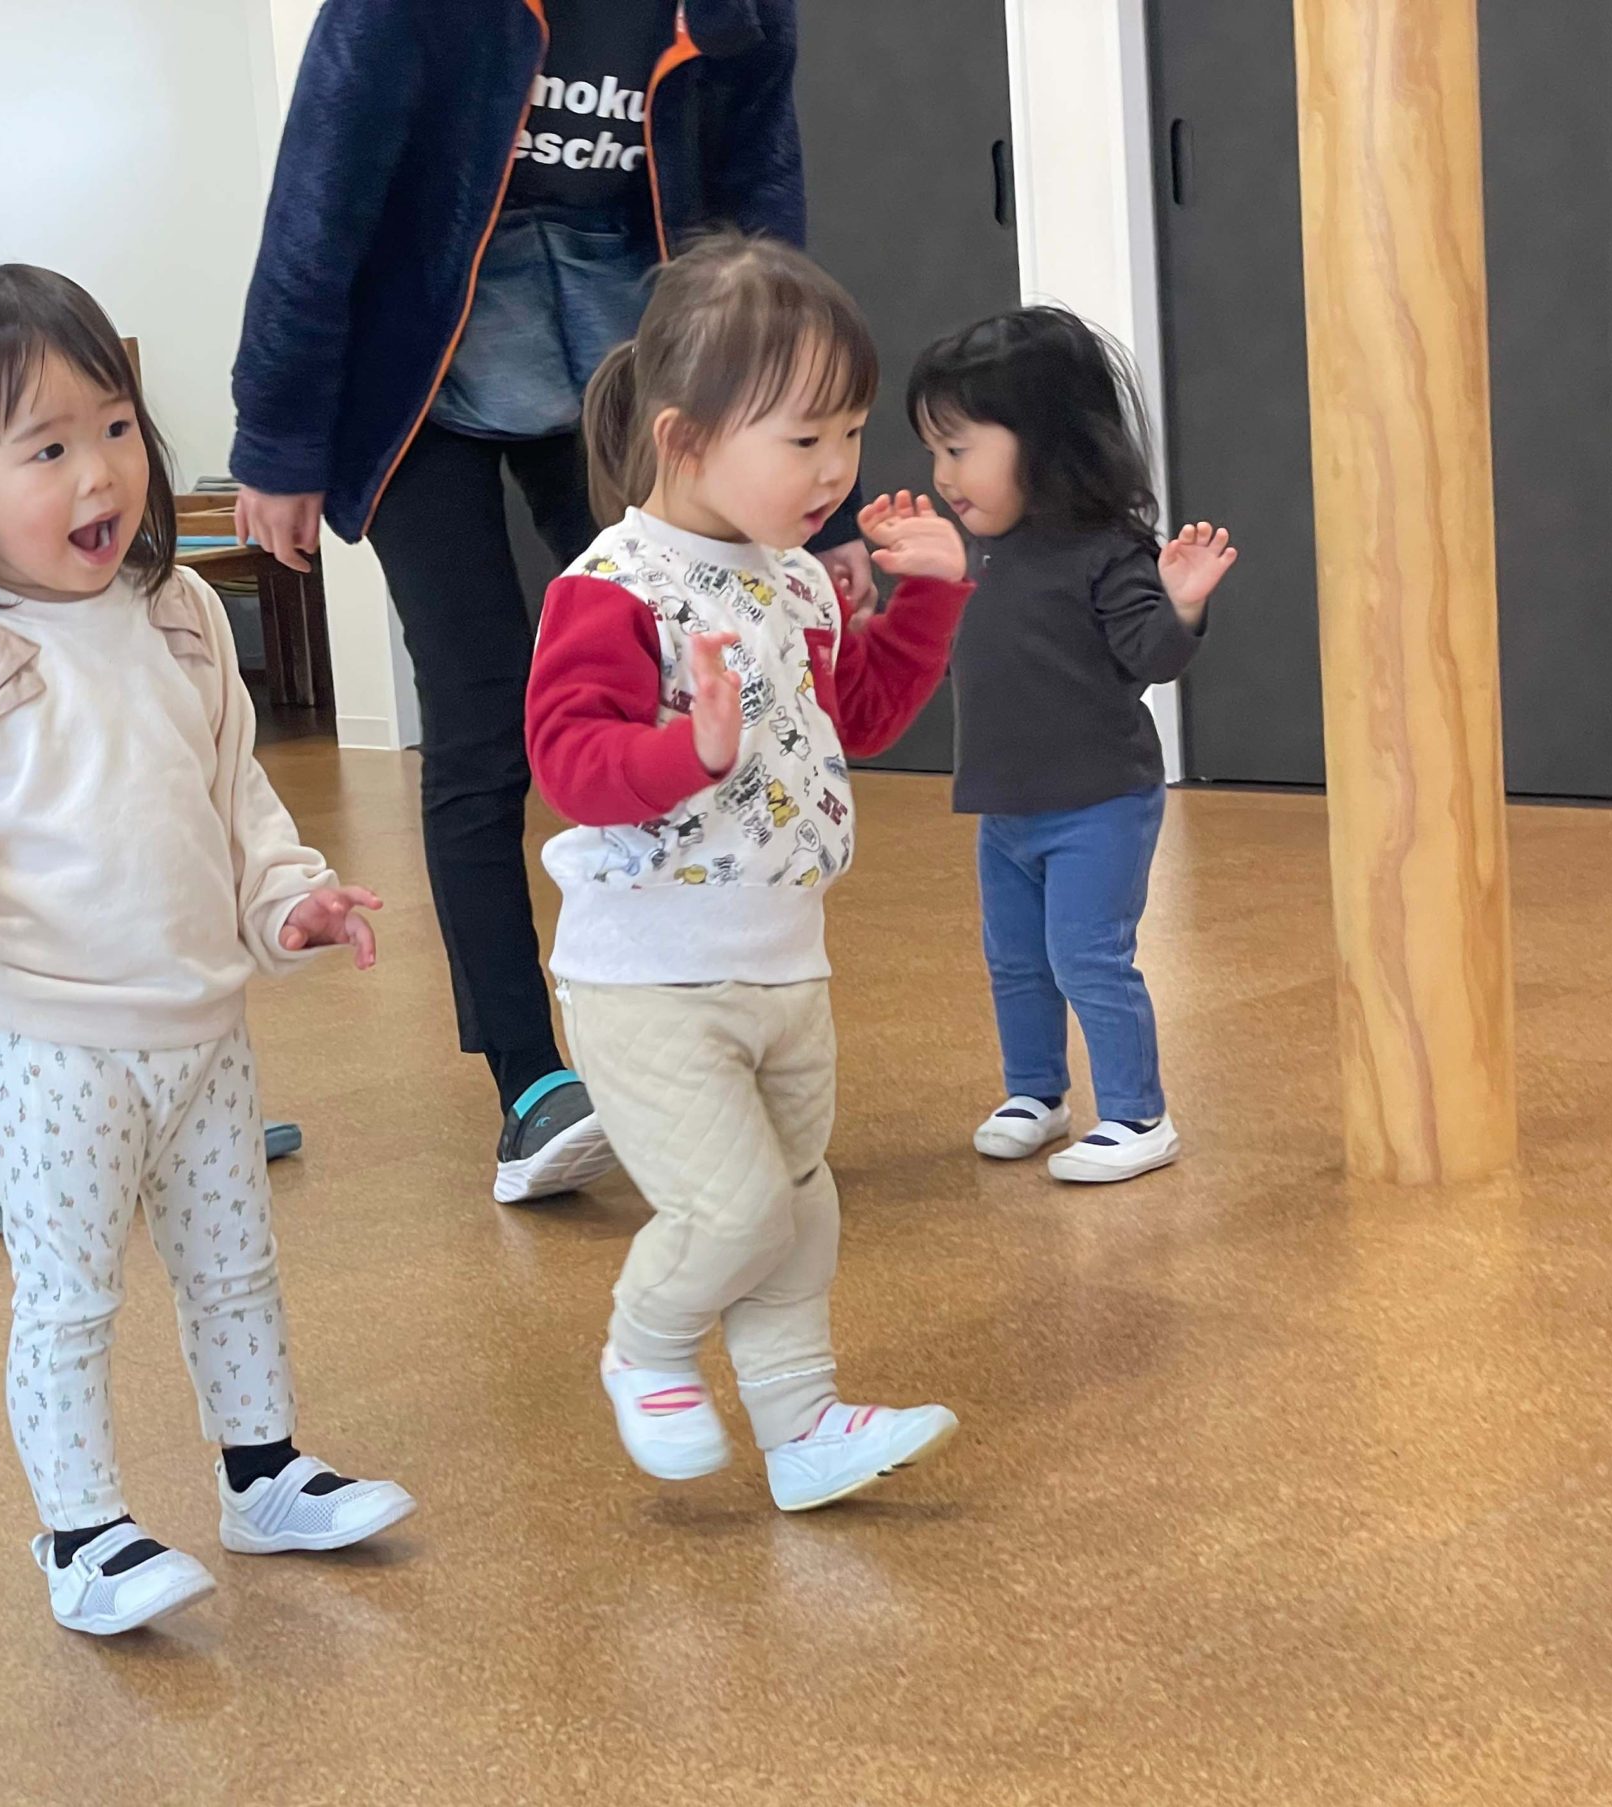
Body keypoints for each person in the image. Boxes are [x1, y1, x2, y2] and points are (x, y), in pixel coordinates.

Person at [0, 267, 416, 1637]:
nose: (99, 472)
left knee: (235, 1266)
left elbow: (237, 801)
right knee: (68, 1299)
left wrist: (290, 902)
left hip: (205, 1033)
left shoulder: (181, 614)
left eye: (113, 427)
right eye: (45, 449)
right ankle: (82, 1530)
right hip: (54, 1056)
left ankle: (261, 1470)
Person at [230, 0, 875, 1205]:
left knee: (706, 671)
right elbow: (319, 200)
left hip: (630, 370)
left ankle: (697, 1020)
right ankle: (531, 1081)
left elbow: (759, 210)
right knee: (480, 714)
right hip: (423, 380)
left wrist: (809, 499)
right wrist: (278, 436)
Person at [524, 236, 969, 1509]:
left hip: (784, 961)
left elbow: (857, 718)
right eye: (803, 439)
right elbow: (570, 764)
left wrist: (928, 601)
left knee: (799, 1202)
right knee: (731, 1212)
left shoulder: (798, 585)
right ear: (684, 438)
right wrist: (688, 751)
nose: (836, 469)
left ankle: (802, 1423)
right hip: (648, 978)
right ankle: (646, 1343)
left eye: (849, 434)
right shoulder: (612, 589)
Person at [907, 308, 1237, 1183]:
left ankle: (1137, 1114)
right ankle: (1036, 1094)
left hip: (1099, 801)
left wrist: (1183, 604)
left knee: (1087, 956)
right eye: (934, 452)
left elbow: (1150, 658)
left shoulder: (1107, 551)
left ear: (1046, 443)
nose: (943, 475)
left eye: (959, 449)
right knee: (1014, 959)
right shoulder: (981, 552)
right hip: (1006, 806)